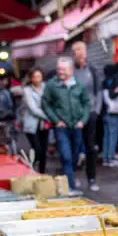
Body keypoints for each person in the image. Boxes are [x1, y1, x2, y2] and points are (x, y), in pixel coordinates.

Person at [43, 56, 91, 191]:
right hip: (61, 127)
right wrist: (56, 120)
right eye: (58, 69)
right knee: (66, 156)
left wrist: (83, 120)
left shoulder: (79, 85)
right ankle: (70, 187)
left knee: (75, 156)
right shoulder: (52, 85)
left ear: (71, 69)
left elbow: (87, 103)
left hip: (77, 126)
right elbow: (45, 103)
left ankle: (70, 176)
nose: (60, 72)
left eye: (63, 69)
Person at [71, 41, 101, 192]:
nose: (80, 52)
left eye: (82, 49)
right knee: (75, 146)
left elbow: (98, 91)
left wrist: (96, 110)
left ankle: (91, 178)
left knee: (90, 147)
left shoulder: (93, 70)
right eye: (76, 50)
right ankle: (73, 176)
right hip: (75, 115)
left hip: (90, 114)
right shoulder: (71, 71)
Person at [20, 68, 50, 174]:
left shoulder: (47, 87)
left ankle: (42, 173)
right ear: (31, 78)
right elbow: (33, 109)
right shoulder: (27, 90)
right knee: (37, 149)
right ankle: (31, 168)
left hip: (44, 125)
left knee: (44, 150)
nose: (37, 79)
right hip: (31, 124)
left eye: (39, 76)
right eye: (34, 77)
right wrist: (49, 116)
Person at [100, 64, 118, 167]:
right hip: (112, 112)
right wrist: (117, 91)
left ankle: (105, 158)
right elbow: (111, 95)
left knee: (106, 135)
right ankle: (110, 158)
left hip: (104, 112)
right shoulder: (112, 80)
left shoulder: (103, 81)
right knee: (113, 135)